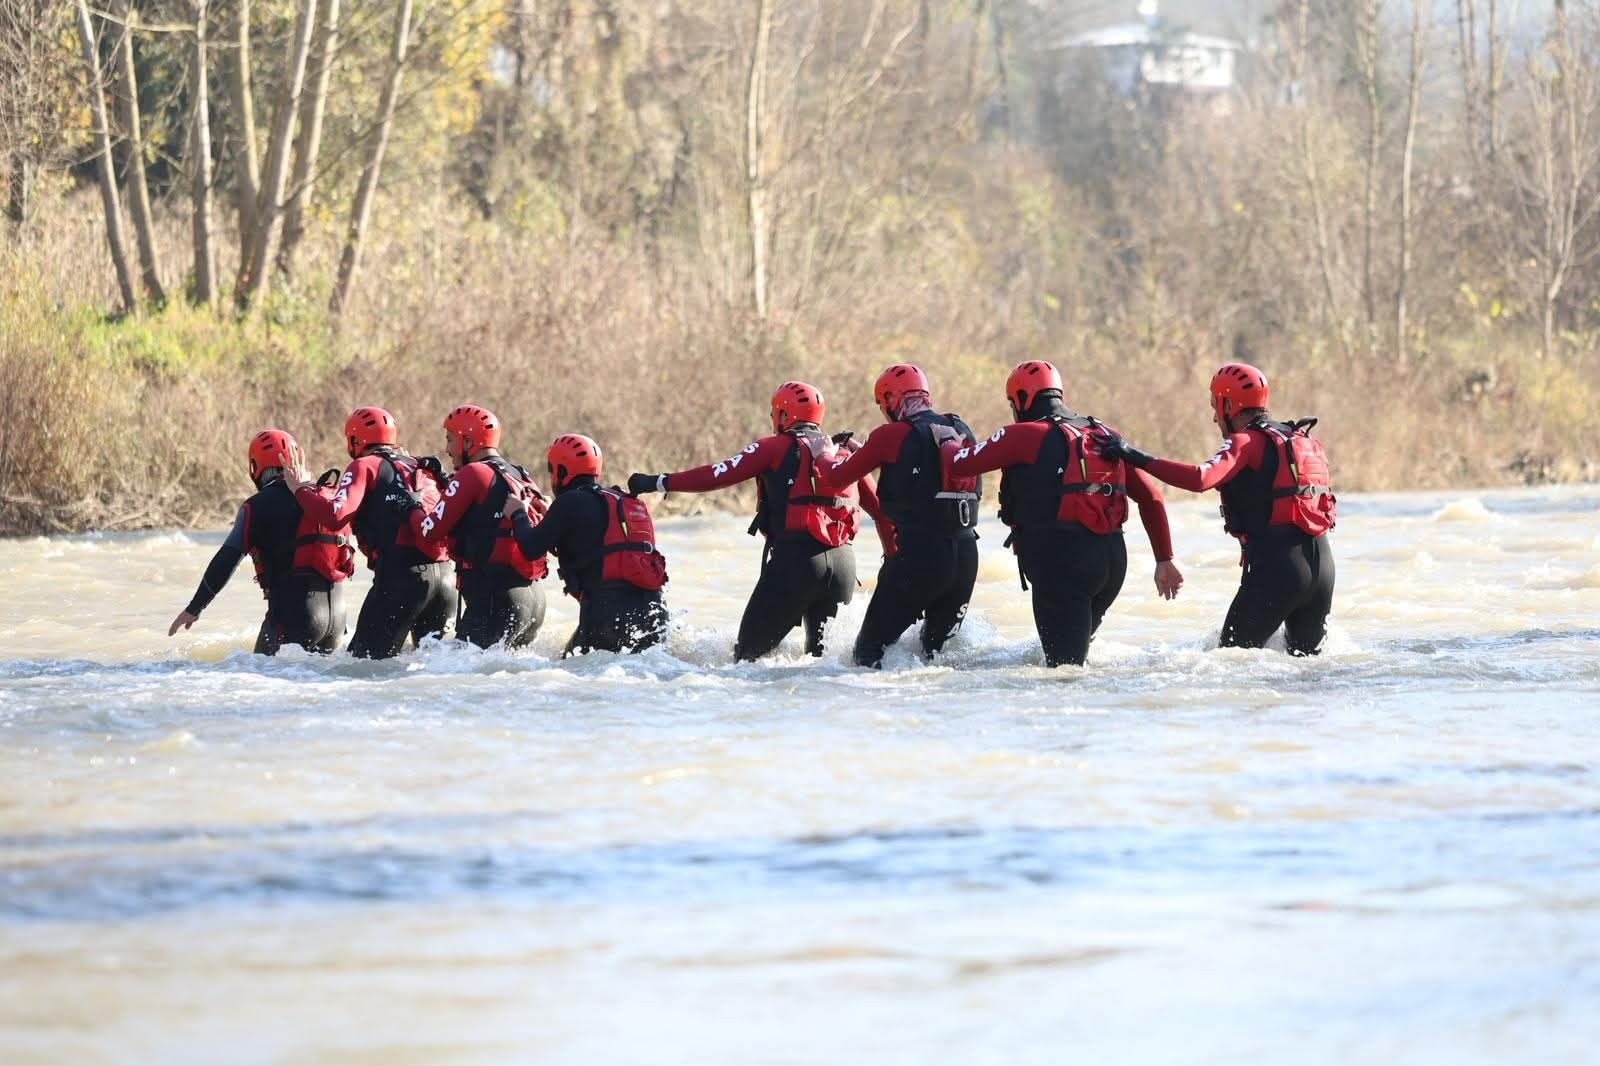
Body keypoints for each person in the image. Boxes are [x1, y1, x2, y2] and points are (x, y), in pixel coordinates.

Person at [625, 381, 895, 660]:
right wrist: (893, 565)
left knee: (745, 661)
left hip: (796, 564)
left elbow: (716, 475)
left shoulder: (774, 447)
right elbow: (883, 515)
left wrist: (658, 482)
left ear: (782, 415)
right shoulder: (845, 453)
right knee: (824, 667)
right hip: (843, 568)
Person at [949, 360, 1183, 666]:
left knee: (1063, 676)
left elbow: (958, 464)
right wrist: (1164, 559)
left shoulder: (1022, 435)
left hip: (1063, 564)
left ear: (1020, 400)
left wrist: (944, 438)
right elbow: (1152, 497)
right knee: (1073, 660)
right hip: (1112, 563)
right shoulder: (1103, 433)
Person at [1095, 362, 1337, 655]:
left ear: (1227, 404)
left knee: (1230, 664)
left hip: (1279, 573)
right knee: (1305, 673)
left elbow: (1200, 479)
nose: (1213, 417)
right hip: (1323, 570)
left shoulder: (1245, 441)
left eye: (1215, 406)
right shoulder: (1300, 439)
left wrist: (1131, 454)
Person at [816, 364, 982, 668]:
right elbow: (925, 469)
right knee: (937, 659)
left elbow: (835, 478)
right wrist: (865, 451)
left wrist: (822, 451)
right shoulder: (959, 427)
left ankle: (890, 712)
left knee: (867, 655)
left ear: (891, 399)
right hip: (967, 557)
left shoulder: (889, 435)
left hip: (921, 558)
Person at [283, 406, 455, 659]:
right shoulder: (420, 465)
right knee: (428, 670)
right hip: (445, 579)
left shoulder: (364, 465)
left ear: (354, 440)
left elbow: (335, 514)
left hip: (402, 579)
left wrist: (300, 488)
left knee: (360, 668)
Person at [169, 429, 353, 654]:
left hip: (295, 618)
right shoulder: (326, 497)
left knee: (257, 682)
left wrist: (195, 608)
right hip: (338, 620)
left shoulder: (257, 506)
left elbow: (227, 559)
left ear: (254, 468)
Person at [502, 433, 669, 656]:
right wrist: (551, 513)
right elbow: (590, 539)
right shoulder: (621, 498)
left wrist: (518, 514)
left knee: (570, 677)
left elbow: (530, 548)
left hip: (608, 614)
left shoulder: (569, 502)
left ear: (562, 471)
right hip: (655, 615)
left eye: (552, 470)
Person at [405, 404, 549, 649]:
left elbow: (428, 531)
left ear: (468, 441)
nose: (447, 449)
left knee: (455, 682)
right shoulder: (520, 474)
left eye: (451, 440)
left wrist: (412, 506)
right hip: (533, 600)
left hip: (496, 600)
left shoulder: (473, 473)